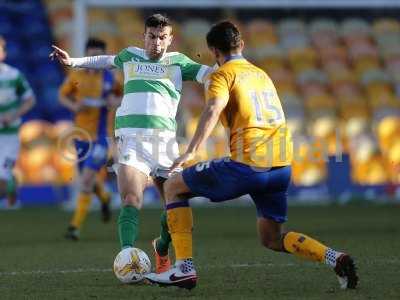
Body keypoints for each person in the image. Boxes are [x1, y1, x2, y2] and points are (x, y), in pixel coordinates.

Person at [145, 21, 358, 290]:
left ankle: (184, 268)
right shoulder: (261, 74)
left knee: (174, 187)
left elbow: (213, 108)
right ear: (241, 45)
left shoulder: (222, 75)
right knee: (271, 238)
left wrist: (191, 150)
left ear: (213, 51)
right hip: (280, 167)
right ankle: (334, 257)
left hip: (248, 164)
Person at [50, 14, 211, 270]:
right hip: (131, 140)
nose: (156, 42)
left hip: (165, 144)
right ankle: (127, 256)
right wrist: (73, 61)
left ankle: (161, 247)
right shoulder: (130, 55)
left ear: (170, 39)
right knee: (130, 199)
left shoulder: (180, 62)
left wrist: (233, 74)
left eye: (162, 38)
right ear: (143, 36)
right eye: (151, 36)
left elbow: (211, 74)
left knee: (176, 203)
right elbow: (106, 61)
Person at [58, 38, 120, 240]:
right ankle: (105, 197)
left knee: (85, 180)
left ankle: (74, 227)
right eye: (90, 56)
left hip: (101, 137)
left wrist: (115, 100)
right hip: (80, 136)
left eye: (97, 56)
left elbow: (123, 96)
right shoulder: (75, 76)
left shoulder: (110, 79)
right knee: (89, 180)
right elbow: (62, 96)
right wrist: (74, 106)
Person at [0, 35, 35, 208]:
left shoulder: (14, 76)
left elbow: (30, 100)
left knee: (2, 181)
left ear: (3, 53)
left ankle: (10, 185)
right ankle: (11, 183)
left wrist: (12, 116)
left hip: (9, 135)